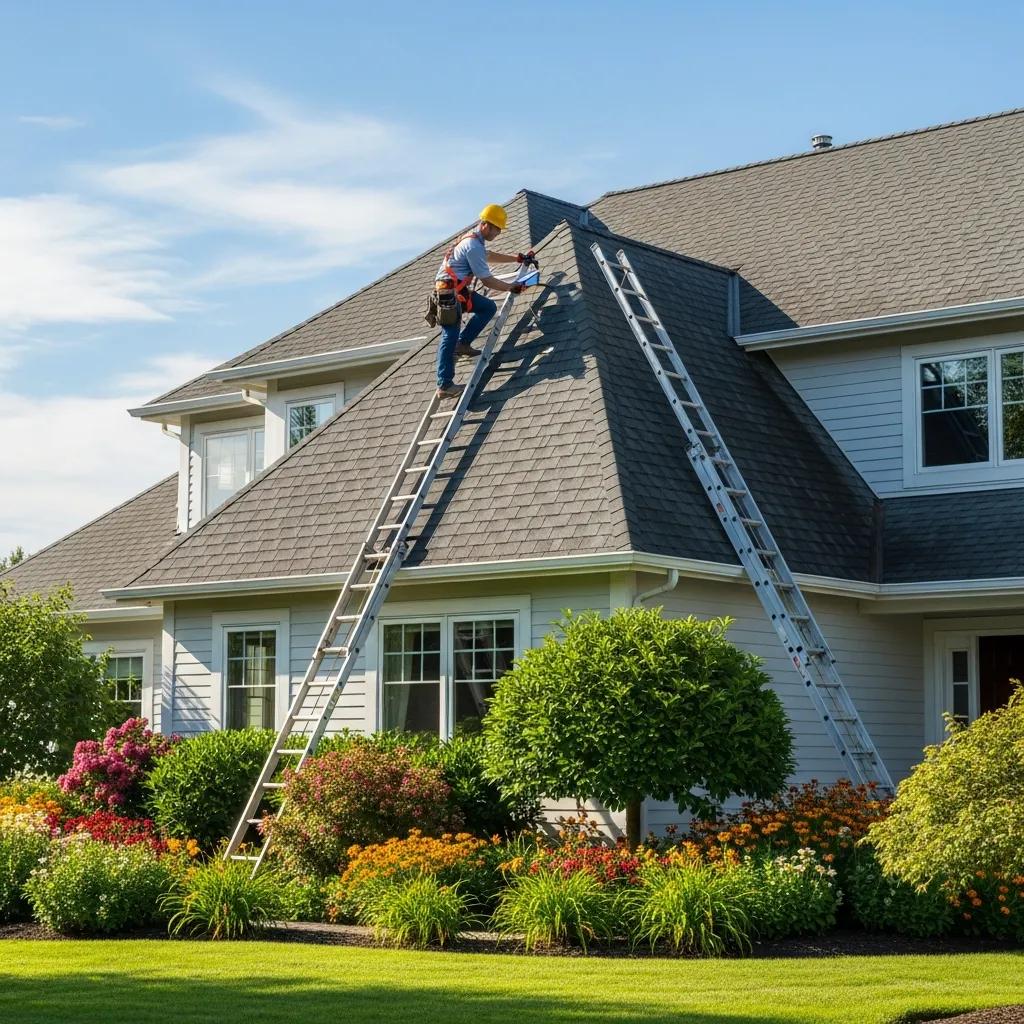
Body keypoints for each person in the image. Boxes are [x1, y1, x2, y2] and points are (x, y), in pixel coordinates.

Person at [433, 203, 536, 398]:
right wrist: (511, 287)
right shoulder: (472, 246)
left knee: (487, 307)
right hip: (448, 294)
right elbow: (487, 280)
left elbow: (488, 256)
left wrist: (517, 259)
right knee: (449, 335)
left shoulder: (475, 242)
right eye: (497, 229)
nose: (498, 233)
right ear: (485, 225)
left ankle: (463, 344)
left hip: (457, 291)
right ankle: (444, 385)